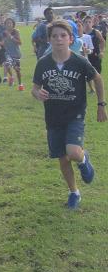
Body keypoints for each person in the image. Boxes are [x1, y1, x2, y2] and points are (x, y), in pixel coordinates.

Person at [32, 19, 107, 209]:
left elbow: (98, 79)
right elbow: (35, 88)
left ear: (70, 39)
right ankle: (74, 192)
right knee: (63, 158)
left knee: (73, 152)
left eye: (63, 35)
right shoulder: (43, 63)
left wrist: (101, 104)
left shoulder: (79, 61)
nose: (59, 39)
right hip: (53, 117)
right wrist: (38, 94)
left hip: (75, 115)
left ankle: (83, 158)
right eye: (54, 36)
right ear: (49, 40)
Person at [2, 17, 24, 90]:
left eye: (10, 23)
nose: (9, 24)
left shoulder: (16, 31)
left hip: (16, 53)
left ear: (13, 24)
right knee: (7, 64)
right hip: (8, 53)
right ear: (5, 25)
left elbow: (20, 43)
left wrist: (10, 36)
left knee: (17, 70)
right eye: (7, 23)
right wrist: (1, 43)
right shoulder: (4, 33)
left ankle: (20, 84)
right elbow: (4, 43)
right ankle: (9, 77)